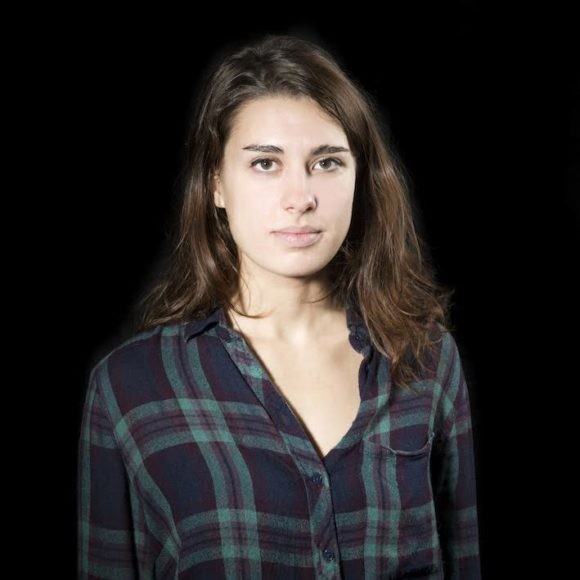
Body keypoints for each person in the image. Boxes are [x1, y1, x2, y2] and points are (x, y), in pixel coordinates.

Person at [77, 32, 481, 579]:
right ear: (216, 184)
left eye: (327, 162)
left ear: (360, 179)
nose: (301, 197)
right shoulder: (131, 387)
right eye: (266, 163)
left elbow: (462, 558)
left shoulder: (426, 360)